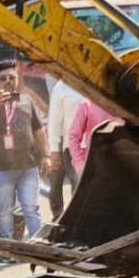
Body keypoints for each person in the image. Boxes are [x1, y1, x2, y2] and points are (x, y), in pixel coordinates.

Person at [0, 60, 49, 245]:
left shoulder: (27, 101)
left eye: (12, 77)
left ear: (17, 79)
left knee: (31, 208)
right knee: (5, 209)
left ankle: (36, 246)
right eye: (3, 78)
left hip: (28, 165)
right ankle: (8, 248)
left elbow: (39, 130)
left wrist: (47, 155)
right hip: (1, 167)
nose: (8, 81)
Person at [44, 78, 84, 217]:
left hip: (97, 143)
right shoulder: (61, 87)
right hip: (72, 147)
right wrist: (54, 148)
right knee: (74, 185)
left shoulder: (94, 85)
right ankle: (65, 219)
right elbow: (55, 120)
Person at [67, 99, 123, 176]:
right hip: (93, 167)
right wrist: (79, 164)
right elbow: (74, 136)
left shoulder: (124, 107)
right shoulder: (87, 105)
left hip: (122, 166)